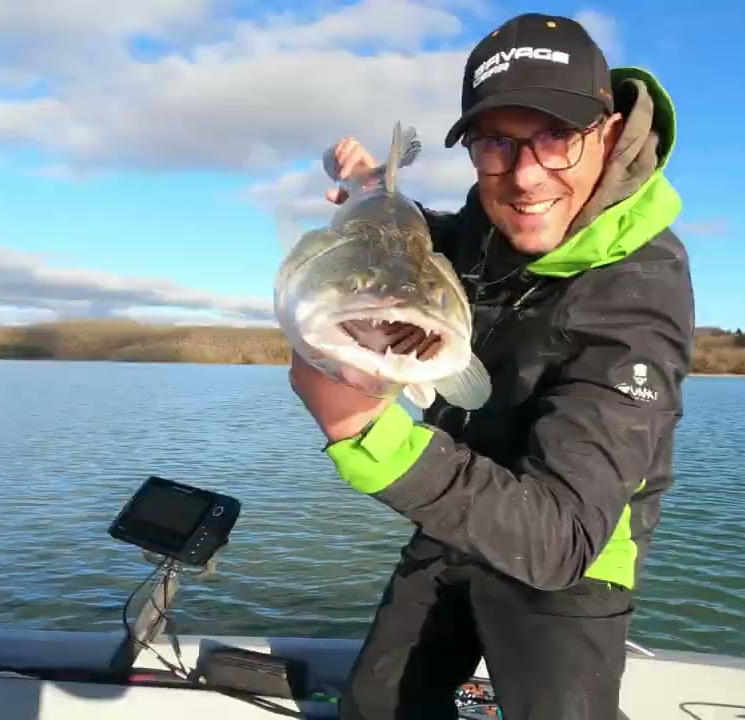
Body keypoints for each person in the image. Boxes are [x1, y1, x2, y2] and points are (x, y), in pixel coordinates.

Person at [289, 11, 694, 720]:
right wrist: (366, 183)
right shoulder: (489, 219)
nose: (527, 177)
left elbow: (563, 539)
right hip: (451, 514)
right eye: (496, 144)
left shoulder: (641, 292)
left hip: (572, 558)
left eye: (558, 137)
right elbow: (420, 236)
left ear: (607, 134)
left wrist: (363, 432)